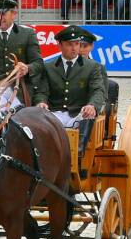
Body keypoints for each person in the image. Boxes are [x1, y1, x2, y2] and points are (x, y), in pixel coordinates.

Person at [33, 25, 105, 161]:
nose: (74, 48)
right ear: (59, 45)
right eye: (69, 44)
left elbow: (98, 90)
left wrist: (92, 105)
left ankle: (76, 159)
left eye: (77, 44)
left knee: (88, 116)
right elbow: (42, 91)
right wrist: (41, 102)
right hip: (54, 113)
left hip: (79, 113)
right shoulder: (48, 67)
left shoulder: (92, 67)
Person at [77, 27, 117, 115]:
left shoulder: (98, 67)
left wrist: (92, 105)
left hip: (89, 107)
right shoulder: (67, 65)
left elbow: (103, 94)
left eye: (85, 46)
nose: (81, 50)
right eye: (79, 46)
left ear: (91, 46)